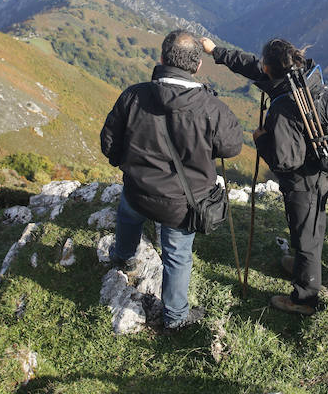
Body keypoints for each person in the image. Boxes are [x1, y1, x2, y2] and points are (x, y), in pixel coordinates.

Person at [100, 30, 243, 331]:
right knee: (177, 254)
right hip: (182, 204)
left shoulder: (133, 95)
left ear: (162, 59)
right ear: (197, 67)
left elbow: (109, 143)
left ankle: (123, 257)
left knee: (128, 214)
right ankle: (175, 318)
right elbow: (231, 148)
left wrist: (125, 165)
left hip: (138, 190)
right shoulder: (211, 107)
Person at [200, 36, 328, 316]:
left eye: (264, 64)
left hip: (304, 180)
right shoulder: (303, 78)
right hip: (321, 171)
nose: (260, 66)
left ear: (270, 69)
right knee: (310, 227)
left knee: (306, 234)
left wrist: (261, 140)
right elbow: (252, 66)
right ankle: (301, 264)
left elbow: (286, 160)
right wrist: (217, 52)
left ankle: (304, 298)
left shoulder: (285, 105)